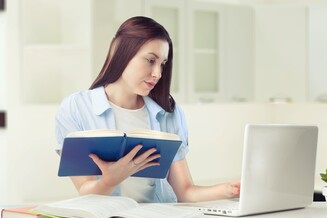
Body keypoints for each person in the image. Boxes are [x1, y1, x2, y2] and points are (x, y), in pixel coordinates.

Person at [55, 16, 240, 203]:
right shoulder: (76, 108)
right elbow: (85, 191)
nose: (158, 74)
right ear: (120, 52)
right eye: (151, 60)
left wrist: (229, 190)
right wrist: (110, 180)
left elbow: (184, 192)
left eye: (162, 64)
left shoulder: (168, 113)